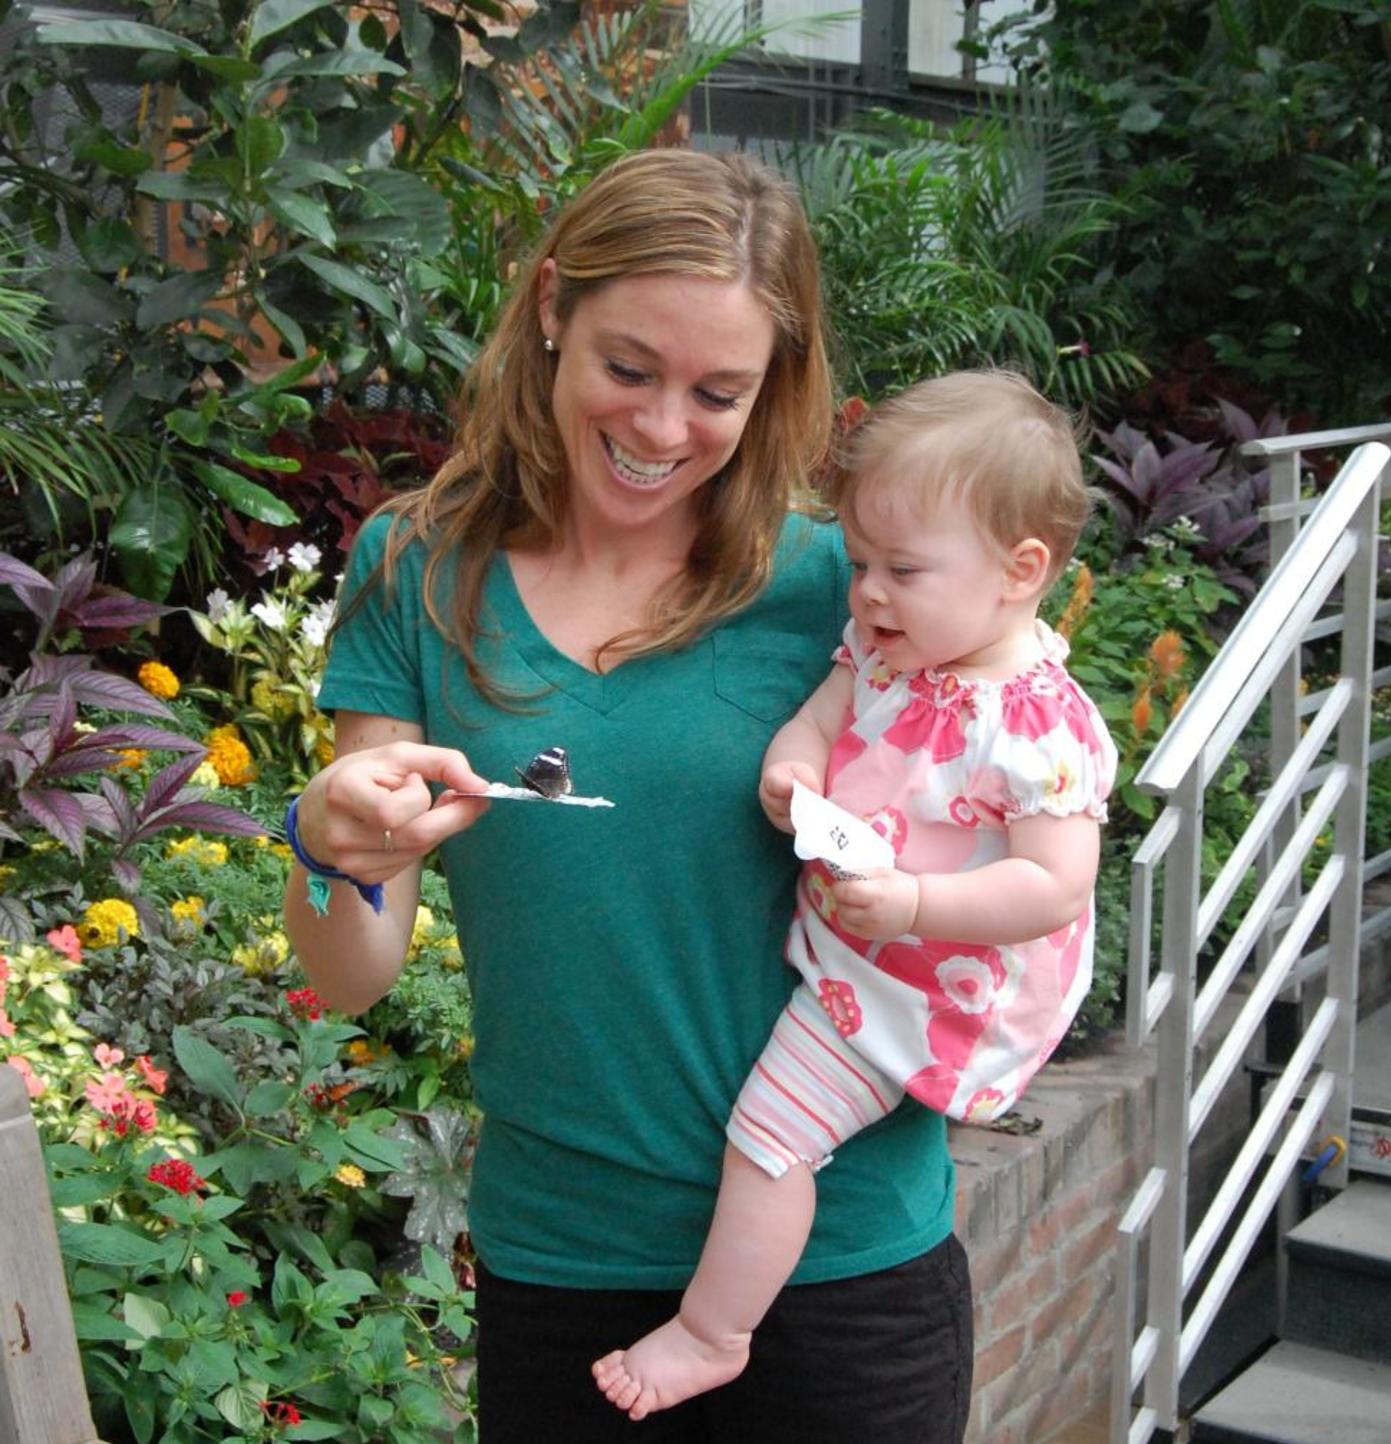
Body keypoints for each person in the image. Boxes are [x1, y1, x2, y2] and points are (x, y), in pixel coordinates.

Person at [282, 147, 974, 1444]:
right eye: (627, 369)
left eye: (718, 392)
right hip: (566, 1268)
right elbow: (351, 974)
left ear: (772, 389)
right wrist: (330, 843)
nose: (662, 431)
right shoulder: (417, 569)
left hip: (840, 1272)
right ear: (550, 308)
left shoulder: (843, 591)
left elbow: (1004, 797)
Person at [593, 369, 1117, 1421]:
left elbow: (1054, 886)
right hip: (868, 936)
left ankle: (711, 1332)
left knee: (770, 1132)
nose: (866, 588)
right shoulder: (892, 645)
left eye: (902, 568)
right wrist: (792, 769)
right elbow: (822, 719)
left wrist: (917, 906)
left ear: (1021, 571)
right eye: (860, 560)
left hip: (924, 984)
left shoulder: (1034, 726)